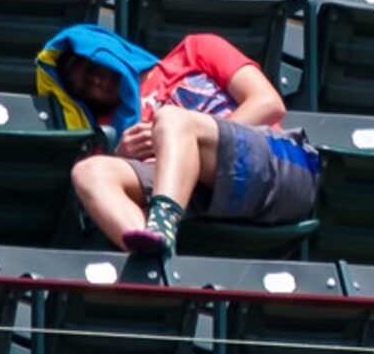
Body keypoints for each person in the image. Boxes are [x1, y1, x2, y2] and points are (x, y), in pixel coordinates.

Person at [37, 22, 318, 258]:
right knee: (89, 171)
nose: (97, 82)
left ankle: (163, 222)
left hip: (278, 168)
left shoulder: (196, 50)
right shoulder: (116, 129)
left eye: (92, 68)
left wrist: (186, 141)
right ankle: (149, 253)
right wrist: (122, 157)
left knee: (171, 119)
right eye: (86, 87)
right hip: (206, 198)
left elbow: (269, 104)